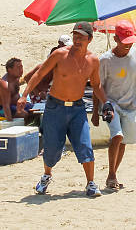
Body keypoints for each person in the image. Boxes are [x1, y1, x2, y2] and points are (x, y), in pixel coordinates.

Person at [18, 21, 108, 197]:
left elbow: (96, 85)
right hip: (55, 107)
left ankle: (90, 183)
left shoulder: (93, 60)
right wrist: (24, 95)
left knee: (85, 145)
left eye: (81, 37)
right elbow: (39, 74)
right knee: (51, 148)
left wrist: (107, 103)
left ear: (90, 39)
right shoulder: (60, 55)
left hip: (77, 108)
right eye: (75, 35)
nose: (77, 39)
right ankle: (46, 176)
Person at [91, 20, 136, 190]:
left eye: (130, 42)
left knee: (124, 140)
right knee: (117, 136)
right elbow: (98, 86)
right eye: (124, 42)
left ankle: (113, 174)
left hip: (131, 105)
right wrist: (97, 111)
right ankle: (111, 174)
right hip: (111, 105)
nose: (128, 46)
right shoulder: (104, 60)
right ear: (115, 38)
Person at [23, 34, 73, 104]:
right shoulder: (43, 66)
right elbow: (27, 77)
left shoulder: (61, 65)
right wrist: (37, 93)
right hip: (38, 96)